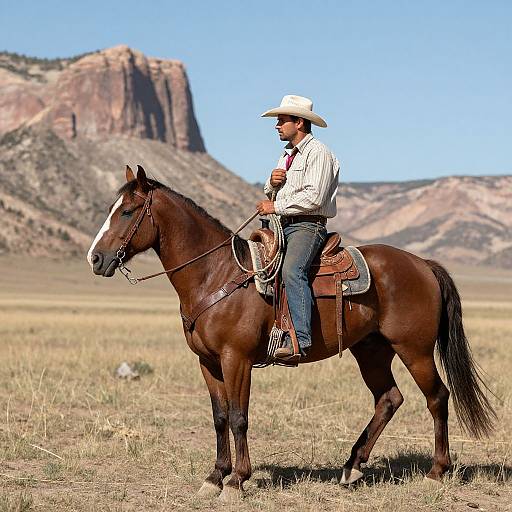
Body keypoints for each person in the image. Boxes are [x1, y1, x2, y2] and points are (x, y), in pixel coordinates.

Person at [256, 95, 340, 362]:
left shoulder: (319, 153)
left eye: (282, 120)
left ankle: (301, 340)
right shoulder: (286, 156)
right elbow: (274, 194)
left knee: (293, 270)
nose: (277, 125)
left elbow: (314, 198)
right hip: (283, 225)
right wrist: (271, 183)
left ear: (299, 122)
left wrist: (276, 207)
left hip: (307, 226)